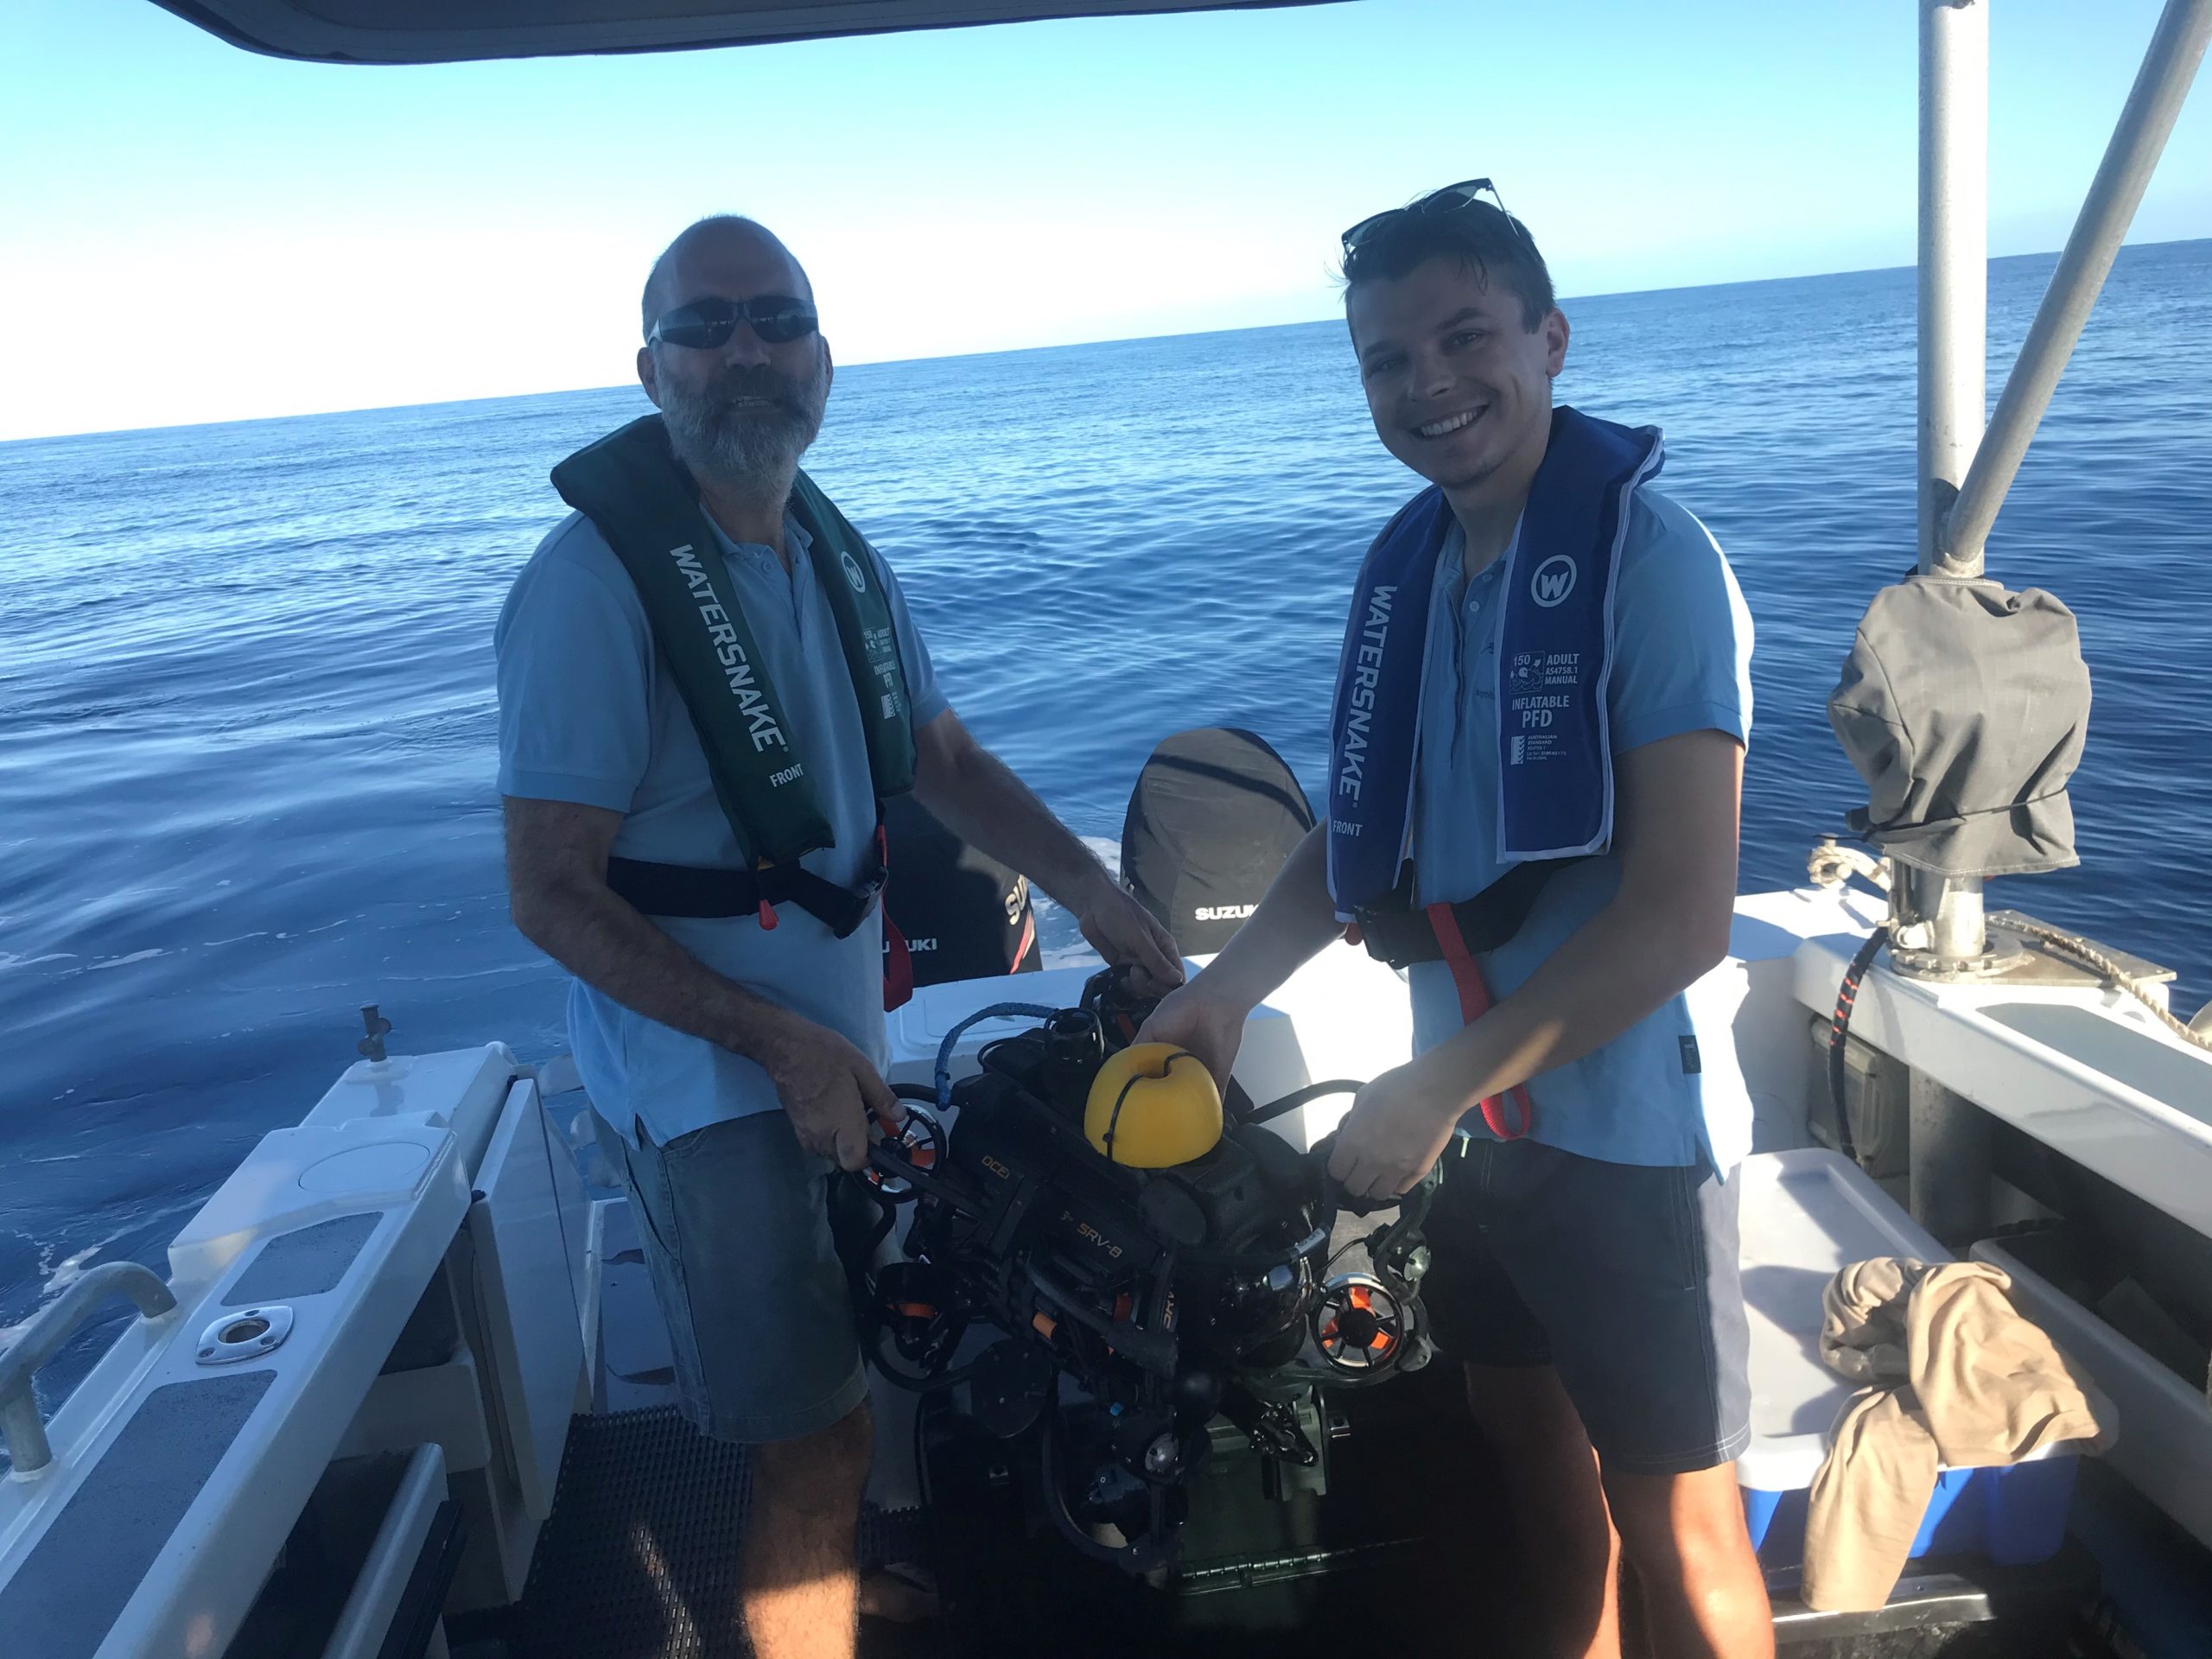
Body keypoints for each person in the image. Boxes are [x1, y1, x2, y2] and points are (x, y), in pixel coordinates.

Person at [495, 214, 1182, 1659]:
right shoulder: (592, 585)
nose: (744, 350)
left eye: (775, 320)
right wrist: (777, 1048)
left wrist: (1101, 897)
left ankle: (829, 1560)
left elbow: (944, 759)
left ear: (823, 357)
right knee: (804, 1437)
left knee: (841, 1392)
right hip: (711, 1092)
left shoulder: (830, 548)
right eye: (705, 326)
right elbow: (548, 891)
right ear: (651, 370)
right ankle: (806, 1575)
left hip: (831, 1052)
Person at [1139, 181, 1771, 1659]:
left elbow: (1682, 917)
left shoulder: (1654, 565)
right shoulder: (1416, 571)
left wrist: (1434, 1086)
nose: (1428, 384)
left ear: (1550, 341)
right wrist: (1224, 991)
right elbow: (1356, 847)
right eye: (1385, 360)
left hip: (1626, 1144)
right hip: (1486, 1132)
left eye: (1465, 336)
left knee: (1682, 1518)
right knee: (1520, 1431)